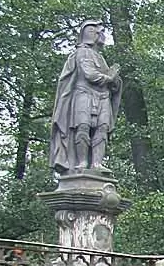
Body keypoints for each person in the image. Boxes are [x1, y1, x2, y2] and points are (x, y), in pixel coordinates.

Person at [49, 20, 121, 177]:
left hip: (103, 97)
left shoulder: (101, 58)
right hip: (83, 94)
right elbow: (90, 74)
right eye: (98, 32)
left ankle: (97, 164)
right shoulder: (82, 53)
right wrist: (110, 77)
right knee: (82, 126)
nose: (101, 35)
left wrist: (115, 80)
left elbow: (112, 82)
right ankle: (81, 163)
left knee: (102, 128)